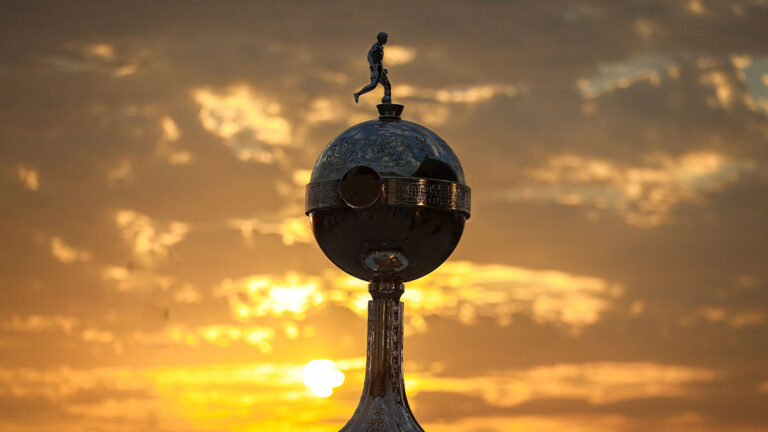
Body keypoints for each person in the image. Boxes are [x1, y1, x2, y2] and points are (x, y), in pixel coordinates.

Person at [354, 32, 392, 104]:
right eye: (385, 39)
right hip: (376, 68)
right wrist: (372, 65)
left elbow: (379, 60)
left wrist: (383, 69)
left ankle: (388, 102)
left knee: (387, 85)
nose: (386, 40)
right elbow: (369, 55)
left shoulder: (380, 47)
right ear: (381, 39)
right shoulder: (375, 46)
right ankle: (358, 94)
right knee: (373, 85)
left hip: (380, 68)